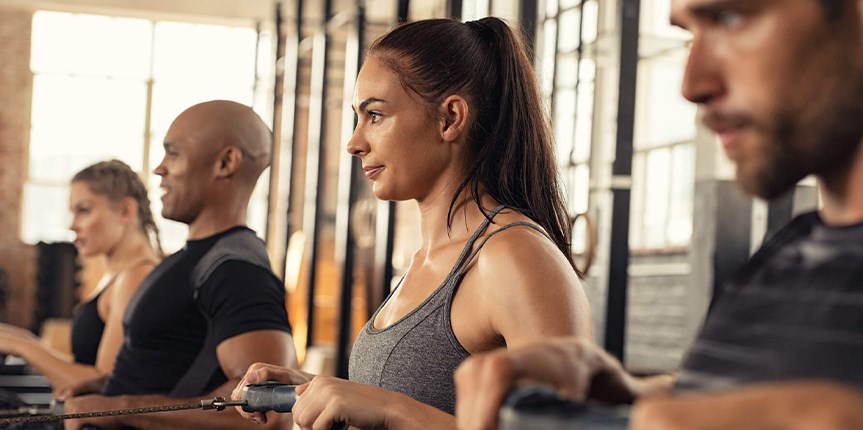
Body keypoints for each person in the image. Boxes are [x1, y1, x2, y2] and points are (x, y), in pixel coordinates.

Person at [453, 0, 863, 429]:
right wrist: (630, 395)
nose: (691, 84)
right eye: (689, 35)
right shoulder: (793, 253)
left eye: (730, 18)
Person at [231, 16, 593, 429]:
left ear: (450, 118)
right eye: (357, 116)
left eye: (376, 115)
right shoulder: (425, 258)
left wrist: (390, 410)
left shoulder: (514, 256)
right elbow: (431, 400)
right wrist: (313, 386)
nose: (354, 142)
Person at [60, 100, 296, 430]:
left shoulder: (235, 270)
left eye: (173, 154)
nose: (159, 168)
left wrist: (121, 407)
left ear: (225, 162)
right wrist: (105, 389)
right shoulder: (188, 259)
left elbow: (269, 412)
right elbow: (175, 366)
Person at [0, 160, 160, 390]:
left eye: (83, 210)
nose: (72, 225)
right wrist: (22, 341)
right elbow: (85, 366)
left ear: (126, 210)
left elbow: (105, 386)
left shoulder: (136, 277)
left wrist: (22, 345)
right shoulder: (118, 275)